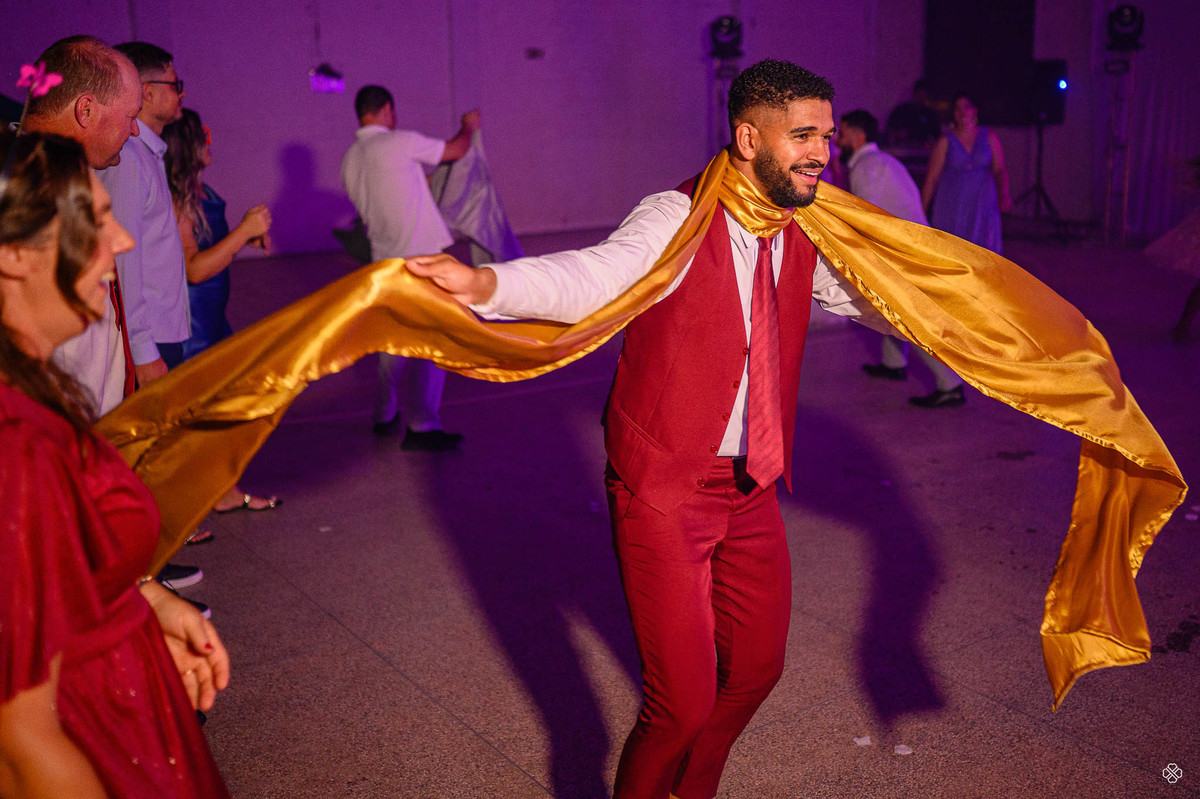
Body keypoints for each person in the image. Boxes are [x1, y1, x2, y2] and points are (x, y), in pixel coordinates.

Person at [409, 60, 896, 798]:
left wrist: (953, 316)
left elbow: (861, 293)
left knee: (759, 669)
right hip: (663, 488)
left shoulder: (800, 223)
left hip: (752, 486)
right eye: (801, 135)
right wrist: (490, 284)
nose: (820, 152)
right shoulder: (675, 216)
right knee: (681, 704)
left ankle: (691, 790)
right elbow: (597, 275)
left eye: (825, 135)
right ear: (746, 137)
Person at [0, 130, 230, 798]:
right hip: (90, 743)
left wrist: (147, 600)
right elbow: (21, 742)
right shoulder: (15, 442)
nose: (123, 241)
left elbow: (59, 561)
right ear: (14, 253)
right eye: (97, 222)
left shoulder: (35, 389)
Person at [103, 40, 203, 588]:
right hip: (148, 337)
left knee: (151, 457)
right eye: (172, 82)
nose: (180, 92)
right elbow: (124, 261)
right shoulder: (128, 159)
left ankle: (151, 567)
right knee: (139, 459)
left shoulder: (147, 155)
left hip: (163, 329)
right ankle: (141, 577)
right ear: (142, 93)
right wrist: (143, 350)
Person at [340, 85, 479, 450]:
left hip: (384, 263)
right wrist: (469, 127)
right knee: (436, 338)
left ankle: (385, 414)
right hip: (423, 259)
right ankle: (423, 425)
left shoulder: (351, 158)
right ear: (387, 109)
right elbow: (455, 150)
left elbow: (394, 191)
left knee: (393, 340)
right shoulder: (398, 142)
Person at [162, 108, 279, 514]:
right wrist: (243, 232)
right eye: (203, 135)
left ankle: (223, 492)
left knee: (221, 411)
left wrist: (242, 240)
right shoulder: (176, 200)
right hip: (193, 321)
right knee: (196, 417)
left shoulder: (199, 191)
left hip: (214, 315)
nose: (210, 141)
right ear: (187, 146)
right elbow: (193, 269)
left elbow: (208, 248)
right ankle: (180, 506)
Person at [21, 35, 143, 415]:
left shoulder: (64, 178)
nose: (135, 131)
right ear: (86, 110)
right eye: (131, 116)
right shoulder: (21, 194)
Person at [836, 109, 966, 408]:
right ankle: (893, 364)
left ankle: (950, 385)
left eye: (842, 134)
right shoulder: (883, 161)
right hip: (911, 249)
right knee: (889, 311)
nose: (837, 142)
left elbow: (868, 222)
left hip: (899, 254)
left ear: (858, 136)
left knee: (904, 319)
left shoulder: (866, 168)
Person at [921, 92, 1013, 255]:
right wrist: (921, 211)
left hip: (981, 204)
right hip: (953, 205)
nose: (962, 112)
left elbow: (999, 169)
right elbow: (932, 178)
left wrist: (1004, 194)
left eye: (966, 107)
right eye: (957, 109)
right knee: (952, 252)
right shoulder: (946, 141)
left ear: (974, 110)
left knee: (983, 252)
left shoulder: (989, 137)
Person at [884, 79, 942, 148]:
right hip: (902, 149)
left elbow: (936, 134)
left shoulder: (930, 114)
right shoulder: (901, 110)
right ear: (914, 93)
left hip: (923, 150)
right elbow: (890, 128)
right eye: (919, 94)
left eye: (923, 95)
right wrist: (897, 135)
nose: (921, 97)